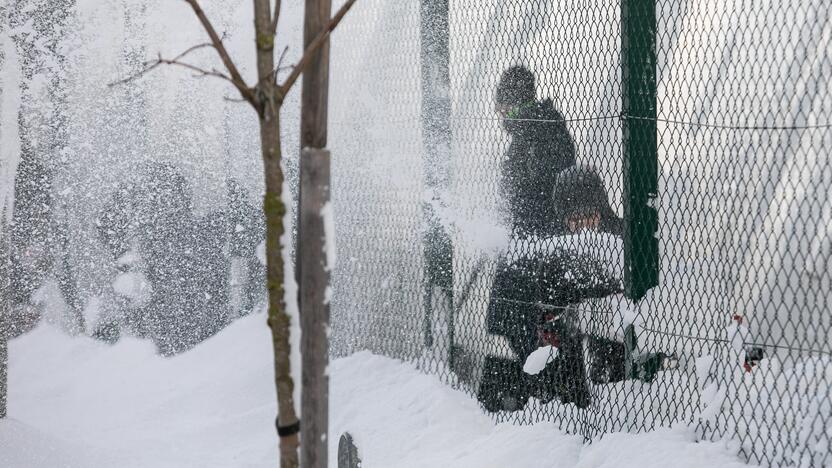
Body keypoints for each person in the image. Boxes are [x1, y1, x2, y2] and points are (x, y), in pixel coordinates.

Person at [478, 166, 667, 412]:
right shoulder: (558, 251)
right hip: (576, 350)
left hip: (621, 343)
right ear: (563, 219)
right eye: (573, 220)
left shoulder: (622, 237)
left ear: (601, 209)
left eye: (589, 216)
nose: (582, 226)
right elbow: (549, 304)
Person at [495, 65, 576, 237]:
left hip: (540, 231)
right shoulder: (530, 132)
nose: (498, 111)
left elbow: (539, 187)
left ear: (513, 104)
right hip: (529, 229)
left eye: (502, 105)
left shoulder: (540, 132)